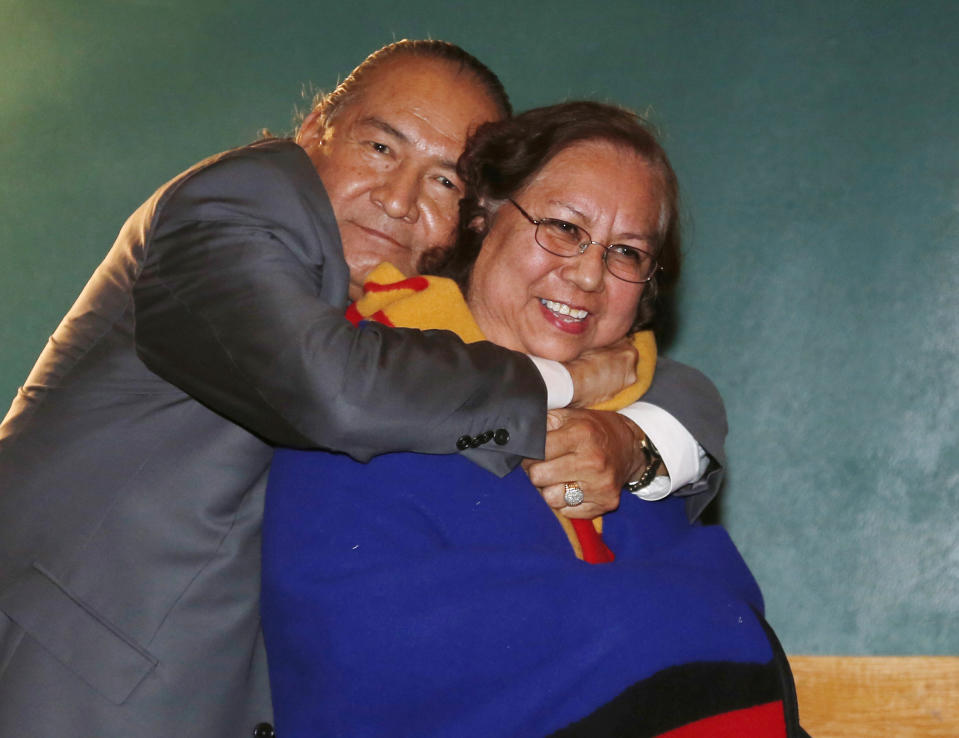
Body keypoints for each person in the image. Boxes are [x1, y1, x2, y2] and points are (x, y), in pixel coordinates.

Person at [0, 41, 725, 738]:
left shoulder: (408, 320)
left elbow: (664, 380)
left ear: (470, 217)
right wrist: (564, 384)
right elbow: (333, 389)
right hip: (63, 683)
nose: (400, 199)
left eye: (444, 179)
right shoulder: (243, 200)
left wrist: (631, 439)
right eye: (380, 148)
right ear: (315, 129)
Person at [261, 101, 804, 737]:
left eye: (626, 252)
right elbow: (362, 654)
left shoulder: (631, 437)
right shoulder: (366, 383)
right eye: (565, 228)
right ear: (482, 215)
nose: (589, 274)